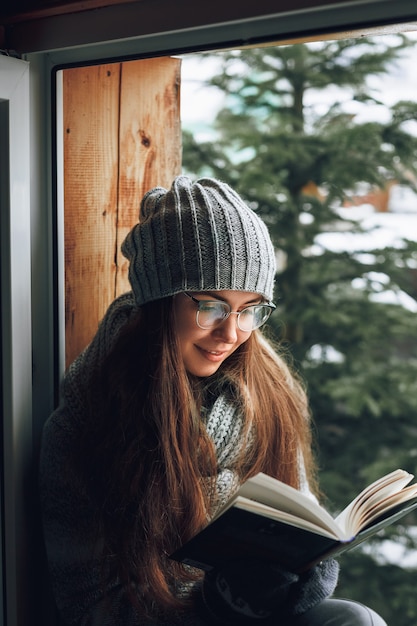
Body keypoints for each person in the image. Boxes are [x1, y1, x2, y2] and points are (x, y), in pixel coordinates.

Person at [39, 176, 387, 626]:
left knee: (354, 619)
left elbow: (302, 522)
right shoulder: (86, 425)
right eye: (212, 306)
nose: (231, 333)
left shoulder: (272, 393)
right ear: (160, 302)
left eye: (250, 310)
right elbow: (91, 609)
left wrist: (308, 573)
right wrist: (216, 605)